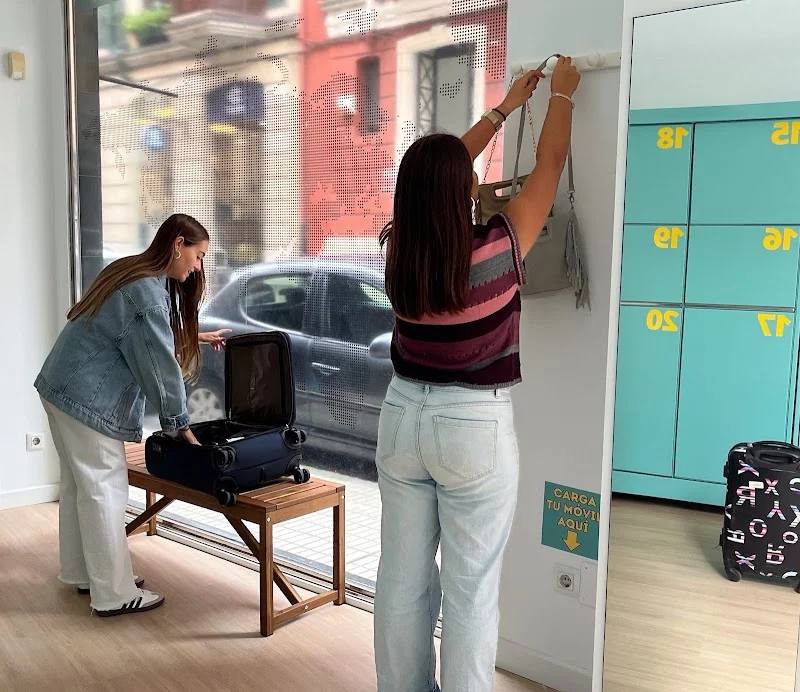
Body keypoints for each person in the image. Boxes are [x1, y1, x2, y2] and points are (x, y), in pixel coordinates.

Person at [373, 57, 581, 691]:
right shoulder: (499, 244)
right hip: (472, 430)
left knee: (402, 584)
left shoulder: (400, 247)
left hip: (402, 417)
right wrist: (561, 97)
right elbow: (547, 168)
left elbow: (436, 176)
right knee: (470, 590)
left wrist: (502, 108)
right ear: (462, 187)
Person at [34, 213, 230, 617]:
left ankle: (84, 574)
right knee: (105, 490)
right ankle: (115, 593)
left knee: (80, 487)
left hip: (60, 387)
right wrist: (180, 425)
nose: (198, 267)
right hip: (88, 399)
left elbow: (131, 333)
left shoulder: (130, 271)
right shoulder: (147, 293)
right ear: (178, 244)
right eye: (197, 255)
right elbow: (160, 367)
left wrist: (194, 335)